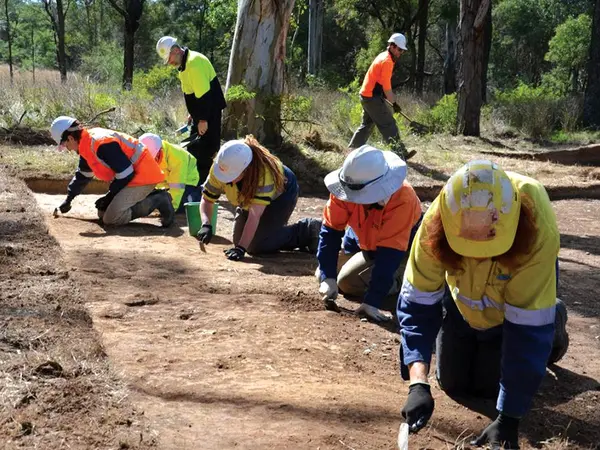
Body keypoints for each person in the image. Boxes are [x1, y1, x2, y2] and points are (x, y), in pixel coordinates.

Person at [397, 160, 570, 449]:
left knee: (492, 389)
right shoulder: (437, 220)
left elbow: (527, 332)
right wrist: (418, 381)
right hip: (463, 305)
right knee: (453, 383)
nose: (477, 257)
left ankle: (554, 319)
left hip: (515, 311)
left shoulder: (537, 227)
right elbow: (417, 304)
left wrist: (509, 418)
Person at [315, 145, 423, 323]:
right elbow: (330, 231)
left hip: (401, 251)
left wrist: (372, 301)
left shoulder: (403, 198)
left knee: (347, 282)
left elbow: (390, 254)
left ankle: (407, 285)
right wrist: (328, 276)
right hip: (367, 246)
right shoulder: (346, 186)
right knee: (326, 275)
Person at [198, 135, 322, 261]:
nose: (224, 178)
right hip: (249, 199)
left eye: (231, 175)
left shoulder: (264, 175)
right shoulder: (222, 167)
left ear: (245, 169)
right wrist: (206, 224)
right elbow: (207, 199)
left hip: (282, 195)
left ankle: (307, 230)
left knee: (256, 246)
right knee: (240, 240)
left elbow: (254, 215)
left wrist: (241, 248)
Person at [50, 116, 175, 227]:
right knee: (102, 213)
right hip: (133, 177)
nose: (67, 149)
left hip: (144, 177)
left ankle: (159, 199)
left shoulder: (100, 143)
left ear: (71, 138)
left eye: (65, 145)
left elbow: (126, 173)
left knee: (111, 218)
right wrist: (69, 199)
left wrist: (109, 196)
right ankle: (146, 197)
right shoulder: (86, 143)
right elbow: (83, 174)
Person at [156, 35, 227, 185]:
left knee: (207, 151)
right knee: (195, 148)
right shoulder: (184, 67)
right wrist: (193, 114)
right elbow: (191, 94)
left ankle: (206, 187)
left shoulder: (194, 63)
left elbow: (205, 95)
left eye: (169, 58)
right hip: (202, 113)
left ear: (175, 50)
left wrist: (203, 119)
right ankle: (195, 184)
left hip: (210, 112)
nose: (169, 63)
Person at [348, 33, 416, 161]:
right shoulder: (387, 61)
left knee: (367, 124)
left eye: (402, 50)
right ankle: (400, 153)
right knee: (389, 124)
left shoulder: (383, 56)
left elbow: (380, 83)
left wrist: (386, 97)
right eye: (400, 49)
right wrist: (394, 103)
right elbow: (387, 87)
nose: (401, 53)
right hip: (371, 97)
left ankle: (352, 149)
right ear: (392, 46)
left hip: (366, 95)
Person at [139, 133, 200, 212]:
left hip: (187, 182)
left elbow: (177, 185)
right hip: (167, 182)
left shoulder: (177, 157)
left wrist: (171, 208)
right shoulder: (151, 152)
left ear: (160, 150)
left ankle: (198, 194)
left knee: (182, 207)